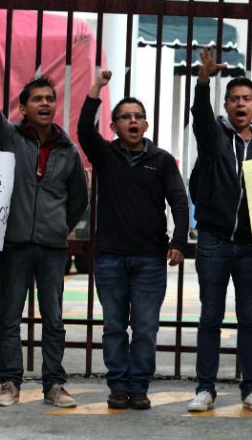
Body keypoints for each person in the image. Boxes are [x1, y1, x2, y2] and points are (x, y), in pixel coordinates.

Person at [0, 47, 88, 408]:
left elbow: (79, 200)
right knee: (9, 315)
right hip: (15, 242)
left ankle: (54, 384)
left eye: (49, 99)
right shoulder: (10, 137)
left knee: (53, 319)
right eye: (36, 99)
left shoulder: (68, 150)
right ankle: (9, 383)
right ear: (23, 107)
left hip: (53, 247)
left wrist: (60, 226)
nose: (44, 104)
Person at [77, 70, 189, 409]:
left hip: (150, 260)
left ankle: (138, 387)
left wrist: (179, 242)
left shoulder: (162, 161)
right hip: (110, 257)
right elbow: (83, 130)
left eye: (138, 116)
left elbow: (180, 203)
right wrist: (95, 89)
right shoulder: (105, 156)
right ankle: (118, 387)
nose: (133, 121)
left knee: (144, 329)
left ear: (146, 125)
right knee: (113, 328)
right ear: (114, 127)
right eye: (125, 117)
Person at [186, 46, 252, 413]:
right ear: (226, 106)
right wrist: (204, 80)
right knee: (210, 315)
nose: (240, 104)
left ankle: (251, 389)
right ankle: (205, 389)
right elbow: (200, 117)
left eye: (247, 99)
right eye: (234, 99)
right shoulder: (214, 139)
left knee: (250, 319)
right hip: (213, 241)